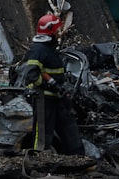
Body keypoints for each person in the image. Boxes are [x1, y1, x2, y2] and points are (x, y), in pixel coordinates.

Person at [18, 13, 81, 154]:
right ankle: (38, 162)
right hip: (43, 100)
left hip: (57, 97)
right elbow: (32, 75)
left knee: (69, 130)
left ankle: (78, 160)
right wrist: (49, 85)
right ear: (50, 31)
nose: (60, 33)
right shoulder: (38, 50)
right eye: (57, 30)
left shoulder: (49, 49)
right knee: (43, 135)